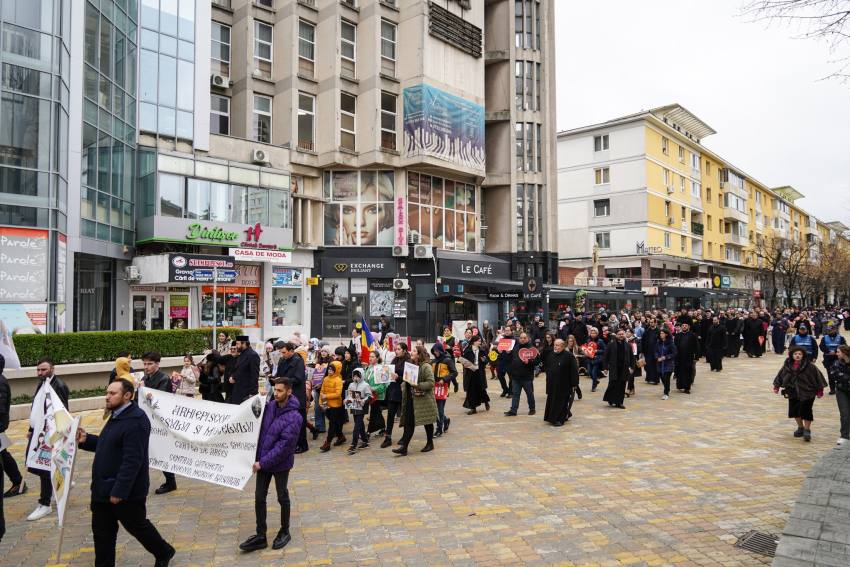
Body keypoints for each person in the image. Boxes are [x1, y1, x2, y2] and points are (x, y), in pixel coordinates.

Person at [77, 379, 175, 567]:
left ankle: (164, 551)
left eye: (112, 393)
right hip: (101, 489)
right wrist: (85, 439)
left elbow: (133, 460)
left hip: (125, 492)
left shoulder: (136, 420)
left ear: (127, 395)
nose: (107, 397)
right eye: (107, 392)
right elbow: (108, 445)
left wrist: (119, 490)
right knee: (102, 534)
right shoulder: (116, 415)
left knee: (137, 526)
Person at [240, 377, 302, 553]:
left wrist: (262, 462)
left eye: (280, 390)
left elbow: (284, 447)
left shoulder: (294, 417)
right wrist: (257, 399)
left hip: (279, 464)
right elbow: (251, 413)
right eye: (275, 390)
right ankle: (261, 535)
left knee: (282, 496)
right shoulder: (270, 407)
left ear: (289, 391)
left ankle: (285, 530)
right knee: (259, 497)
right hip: (263, 460)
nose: (276, 393)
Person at [25, 357, 70, 521]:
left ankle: (45, 503)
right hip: (38, 432)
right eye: (38, 370)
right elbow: (37, 409)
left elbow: (63, 412)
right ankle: (58, 480)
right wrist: (31, 428)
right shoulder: (42, 383)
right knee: (31, 463)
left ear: (52, 369)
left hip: (50, 434)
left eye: (43, 370)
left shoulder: (59, 386)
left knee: (43, 466)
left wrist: (58, 435)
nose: (40, 373)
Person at [141, 352, 178, 496]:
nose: (146, 367)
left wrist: (144, 389)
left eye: (150, 364)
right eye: (144, 364)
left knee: (162, 452)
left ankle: (171, 481)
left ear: (157, 364)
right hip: (147, 420)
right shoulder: (145, 377)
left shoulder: (163, 379)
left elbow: (159, 400)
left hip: (160, 422)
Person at [773, 345, 828, 442]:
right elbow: (780, 376)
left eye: (800, 354)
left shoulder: (810, 366)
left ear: (803, 355)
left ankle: (807, 430)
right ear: (791, 355)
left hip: (808, 392)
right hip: (792, 391)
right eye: (795, 354)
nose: (797, 356)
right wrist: (776, 386)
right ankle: (800, 427)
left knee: (806, 410)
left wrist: (820, 390)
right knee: (794, 410)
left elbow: (818, 378)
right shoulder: (787, 365)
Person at [393, 345, 438, 455]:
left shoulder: (426, 366)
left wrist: (417, 385)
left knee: (427, 422)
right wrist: (399, 379)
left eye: (414, 351)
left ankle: (430, 443)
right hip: (410, 398)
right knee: (409, 423)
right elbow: (408, 380)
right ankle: (404, 448)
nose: (411, 352)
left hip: (423, 400)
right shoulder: (411, 365)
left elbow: (431, 383)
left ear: (419, 354)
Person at [275, 342, 308, 453]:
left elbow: (298, 379)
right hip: (285, 395)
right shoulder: (283, 360)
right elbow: (279, 375)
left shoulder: (298, 361)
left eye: (284, 352)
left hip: (297, 395)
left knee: (299, 422)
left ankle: (302, 445)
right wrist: (275, 378)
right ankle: (291, 443)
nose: (282, 354)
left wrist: (283, 380)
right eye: (281, 352)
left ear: (291, 351)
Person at [543, 339, 580, 426]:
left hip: (564, 384)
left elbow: (574, 371)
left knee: (561, 402)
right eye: (555, 345)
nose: (555, 347)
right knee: (552, 401)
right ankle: (553, 417)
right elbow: (548, 367)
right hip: (552, 383)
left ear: (563, 346)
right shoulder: (551, 355)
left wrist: (575, 384)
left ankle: (559, 419)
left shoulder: (569, 356)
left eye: (557, 345)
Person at [504, 332, 538, 416]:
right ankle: (513, 410)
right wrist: (507, 353)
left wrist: (529, 362)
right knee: (515, 394)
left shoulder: (532, 349)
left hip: (527, 377)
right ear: (519, 339)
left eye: (524, 338)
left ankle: (532, 409)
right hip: (516, 376)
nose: (522, 339)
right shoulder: (515, 348)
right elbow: (510, 359)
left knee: (529, 394)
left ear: (528, 339)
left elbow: (537, 361)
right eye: (521, 338)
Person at [382, 343, 409, 448]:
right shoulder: (394, 360)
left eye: (398, 349)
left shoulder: (408, 361)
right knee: (390, 415)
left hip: (403, 392)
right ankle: (387, 437)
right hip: (393, 391)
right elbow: (390, 372)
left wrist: (398, 377)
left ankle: (405, 437)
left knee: (405, 416)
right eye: (396, 349)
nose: (396, 351)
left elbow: (409, 379)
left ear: (404, 350)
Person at [602, 329, 634, 409]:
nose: (621, 335)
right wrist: (605, 368)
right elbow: (606, 356)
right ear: (616, 335)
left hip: (624, 368)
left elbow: (632, 357)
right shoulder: (611, 344)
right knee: (613, 384)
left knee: (622, 385)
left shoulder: (628, 345)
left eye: (622, 334)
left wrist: (632, 367)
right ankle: (610, 398)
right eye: (619, 334)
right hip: (614, 368)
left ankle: (619, 402)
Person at [460, 335, 490, 415]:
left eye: (480, 341)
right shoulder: (467, 350)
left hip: (479, 372)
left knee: (481, 389)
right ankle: (473, 408)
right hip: (471, 372)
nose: (480, 342)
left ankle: (486, 401)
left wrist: (484, 360)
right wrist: (465, 365)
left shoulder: (482, 350)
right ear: (474, 341)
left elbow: (487, 360)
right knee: (471, 390)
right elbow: (463, 360)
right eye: (478, 341)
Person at [319, 361, 346, 452]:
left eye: (332, 369)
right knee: (334, 423)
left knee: (331, 425)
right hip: (327, 404)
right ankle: (341, 437)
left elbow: (338, 394)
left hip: (336, 405)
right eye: (329, 369)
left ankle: (328, 443)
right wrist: (321, 402)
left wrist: (326, 396)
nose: (330, 371)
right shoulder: (326, 378)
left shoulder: (338, 380)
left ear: (337, 370)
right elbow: (322, 391)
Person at [345, 368, 373, 454]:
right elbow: (349, 395)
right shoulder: (351, 385)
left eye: (357, 376)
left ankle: (353, 444)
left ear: (361, 376)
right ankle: (365, 441)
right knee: (359, 424)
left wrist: (363, 400)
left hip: (362, 407)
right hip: (354, 407)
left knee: (357, 426)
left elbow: (369, 396)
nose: (355, 378)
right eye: (354, 376)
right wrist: (346, 399)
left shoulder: (365, 385)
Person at [229, 336, 260, 405]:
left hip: (246, 392)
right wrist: (233, 376)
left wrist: (253, 393)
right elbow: (239, 369)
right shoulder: (241, 354)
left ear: (244, 344)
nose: (236, 346)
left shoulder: (253, 355)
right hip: (238, 389)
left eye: (237, 344)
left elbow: (254, 375)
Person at [828, 345, 850, 445]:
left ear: (844, 353)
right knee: (845, 414)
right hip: (842, 391)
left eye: (838, 352)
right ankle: (844, 436)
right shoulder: (836, 363)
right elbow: (834, 375)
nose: (836, 354)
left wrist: (844, 377)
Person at [364, 351, 387, 438]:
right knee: (377, 412)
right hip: (370, 394)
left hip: (378, 395)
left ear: (377, 358)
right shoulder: (368, 368)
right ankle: (383, 428)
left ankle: (368, 432)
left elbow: (384, 384)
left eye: (373, 357)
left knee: (374, 413)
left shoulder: (381, 368)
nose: (370, 358)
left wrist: (374, 389)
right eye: (370, 356)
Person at [819, 323, 847, 395]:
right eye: (829, 330)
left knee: (840, 373)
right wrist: (828, 351)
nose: (830, 331)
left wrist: (835, 352)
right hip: (828, 358)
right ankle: (832, 389)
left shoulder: (841, 338)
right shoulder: (824, 338)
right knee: (830, 374)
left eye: (831, 330)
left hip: (838, 358)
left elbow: (844, 346)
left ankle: (840, 387)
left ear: (835, 329)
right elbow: (821, 346)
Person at [674, 321, 698, 394]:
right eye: (683, 325)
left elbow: (696, 346)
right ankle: (680, 386)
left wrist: (696, 357)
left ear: (688, 327)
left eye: (686, 325)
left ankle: (687, 388)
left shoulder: (692, 335)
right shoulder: (678, 335)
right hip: (679, 357)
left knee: (688, 372)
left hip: (689, 357)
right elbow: (674, 346)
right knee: (679, 372)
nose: (684, 326)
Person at [654, 328, 676, 401]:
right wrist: (657, 357)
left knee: (666, 378)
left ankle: (666, 393)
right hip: (660, 363)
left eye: (662, 333)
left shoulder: (670, 343)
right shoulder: (658, 342)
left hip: (668, 363)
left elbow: (674, 353)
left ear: (666, 334)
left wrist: (665, 357)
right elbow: (656, 351)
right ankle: (667, 388)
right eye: (660, 333)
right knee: (662, 378)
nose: (661, 335)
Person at [584, 327, 606, 392]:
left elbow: (605, 350)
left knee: (594, 373)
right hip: (589, 358)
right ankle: (596, 380)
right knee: (589, 372)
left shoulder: (600, 341)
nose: (593, 334)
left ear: (597, 333)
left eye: (594, 333)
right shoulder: (588, 340)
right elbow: (586, 347)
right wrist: (585, 351)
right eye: (591, 333)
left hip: (597, 359)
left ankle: (594, 386)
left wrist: (597, 351)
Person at [641, 318, 660, 384]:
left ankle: (656, 380)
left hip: (656, 351)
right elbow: (643, 341)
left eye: (652, 322)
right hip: (648, 351)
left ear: (655, 323)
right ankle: (649, 378)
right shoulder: (647, 331)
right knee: (648, 365)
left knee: (655, 365)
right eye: (650, 322)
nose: (651, 323)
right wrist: (642, 351)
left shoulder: (659, 331)